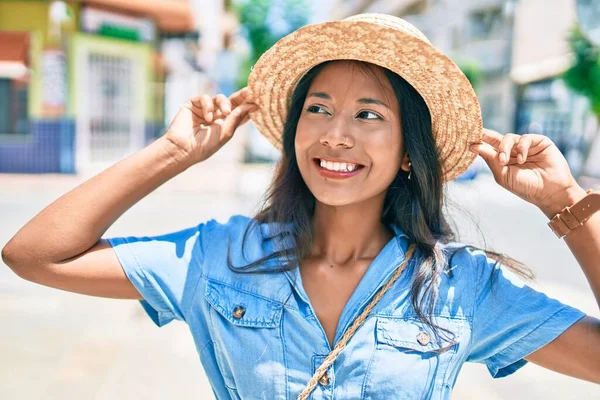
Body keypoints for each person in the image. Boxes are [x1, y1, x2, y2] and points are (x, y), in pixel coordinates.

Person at [3, 13, 600, 400]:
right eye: (317, 108)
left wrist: (568, 204)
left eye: (370, 114)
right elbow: (34, 255)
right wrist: (173, 153)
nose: (336, 134)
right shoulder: (220, 256)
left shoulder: (460, 286)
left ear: (409, 154)